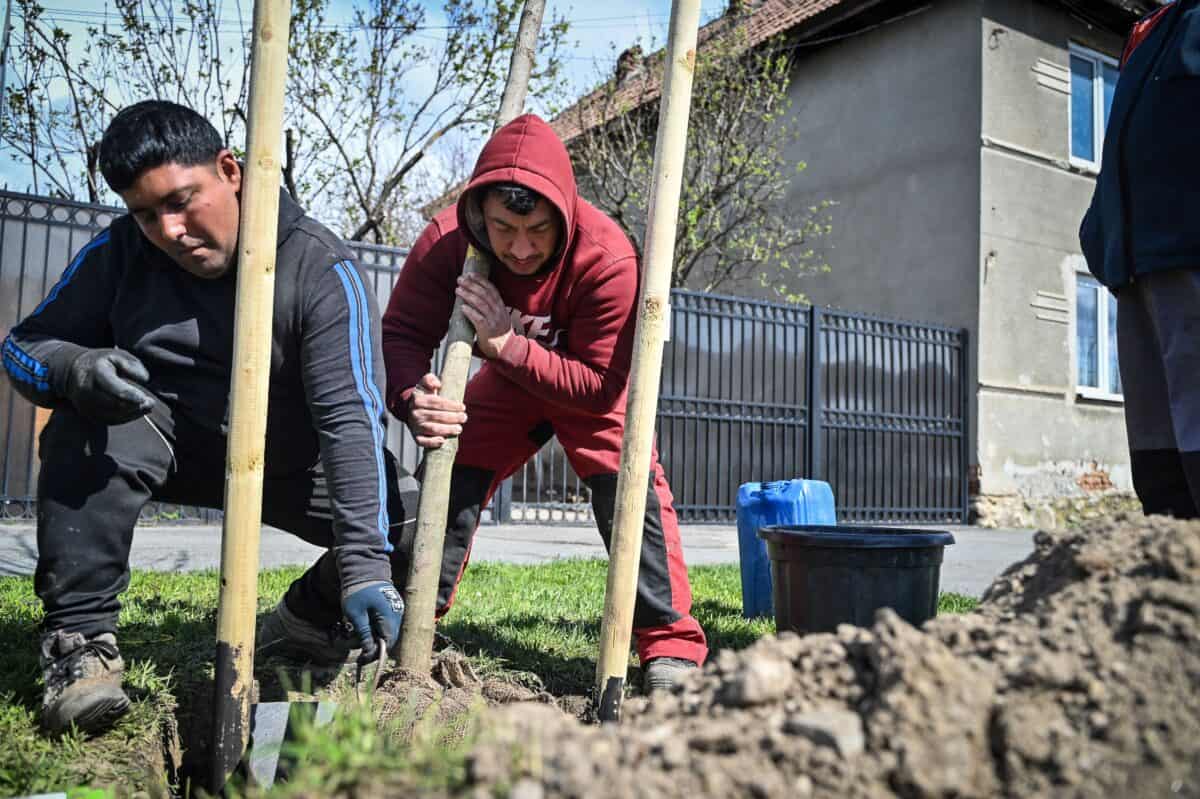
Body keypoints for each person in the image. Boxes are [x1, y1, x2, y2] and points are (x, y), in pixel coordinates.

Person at [1, 101, 411, 735]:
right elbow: (26, 346)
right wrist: (76, 370)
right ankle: (78, 648)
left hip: (288, 463)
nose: (168, 229)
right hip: (160, 438)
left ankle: (306, 616)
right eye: (145, 213)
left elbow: (349, 419)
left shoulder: (321, 269)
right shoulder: (119, 254)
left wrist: (363, 564)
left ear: (231, 170)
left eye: (182, 200)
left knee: (408, 517)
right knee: (82, 423)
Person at [381, 114, 708, 690]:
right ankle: (409, 615)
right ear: (480, 212)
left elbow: (601, 388)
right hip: (511, 380)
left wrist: (506, 344)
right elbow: (403, 332)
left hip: (586, 385)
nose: (521, 249)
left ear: (563, 214)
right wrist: (413, 398)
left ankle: (670, 646)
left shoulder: (608, 259)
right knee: (450, 463)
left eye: (537, 231)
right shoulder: (448, 244)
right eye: (504, 229)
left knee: (630, 484)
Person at [1079, 0, 1200, 519]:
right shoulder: (1149, 33)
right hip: (1135, 264)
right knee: (1158, 450)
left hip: (1188, 252)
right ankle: (1175, 583)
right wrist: (1099, 229)